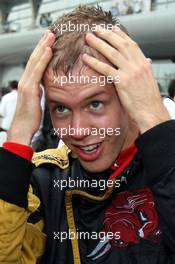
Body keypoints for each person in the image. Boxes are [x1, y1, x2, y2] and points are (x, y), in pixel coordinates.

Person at [0, 5, 175, 264]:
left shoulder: (165, 165)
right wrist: (18, 137)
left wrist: (153, 116)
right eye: (60, 108)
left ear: (130, 93)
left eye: (95, 104)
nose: (77, 130)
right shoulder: (40, 180)